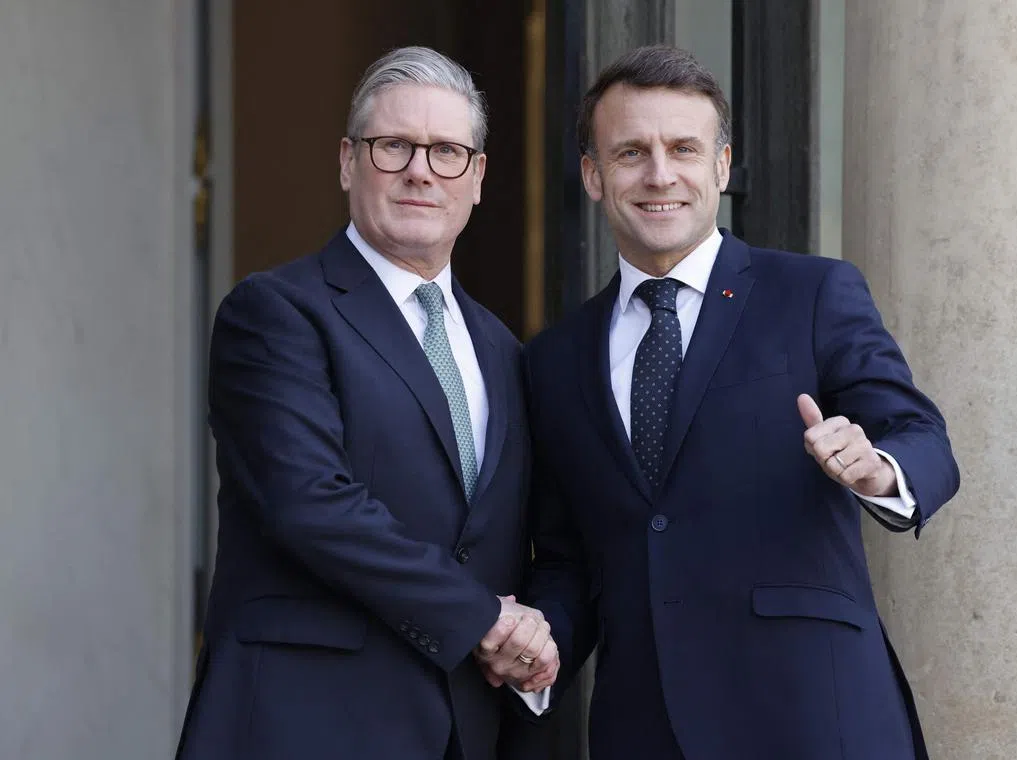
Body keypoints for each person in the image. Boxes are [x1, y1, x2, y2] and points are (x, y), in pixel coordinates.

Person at [517, 45, 959, 759]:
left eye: (683, 149)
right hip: (646, 726)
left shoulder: (813, 293)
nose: (660, 174)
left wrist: (877, 467)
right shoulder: (553, 359)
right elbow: (570, 559)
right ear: (594, 176)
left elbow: (921, 434)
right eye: (631, 152)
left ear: (720, 167)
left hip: (815, 715)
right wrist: (540, 646)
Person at [175, 46, 557, 760]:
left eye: (447, 151)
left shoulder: (503, 350)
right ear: (348, 162)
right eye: (394, 147)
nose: (420, 169)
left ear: (477, 178)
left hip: (461, 731)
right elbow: (310, 502)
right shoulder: (277, 313)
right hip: (302, 724)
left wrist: (536, 639)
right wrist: (480, 619)